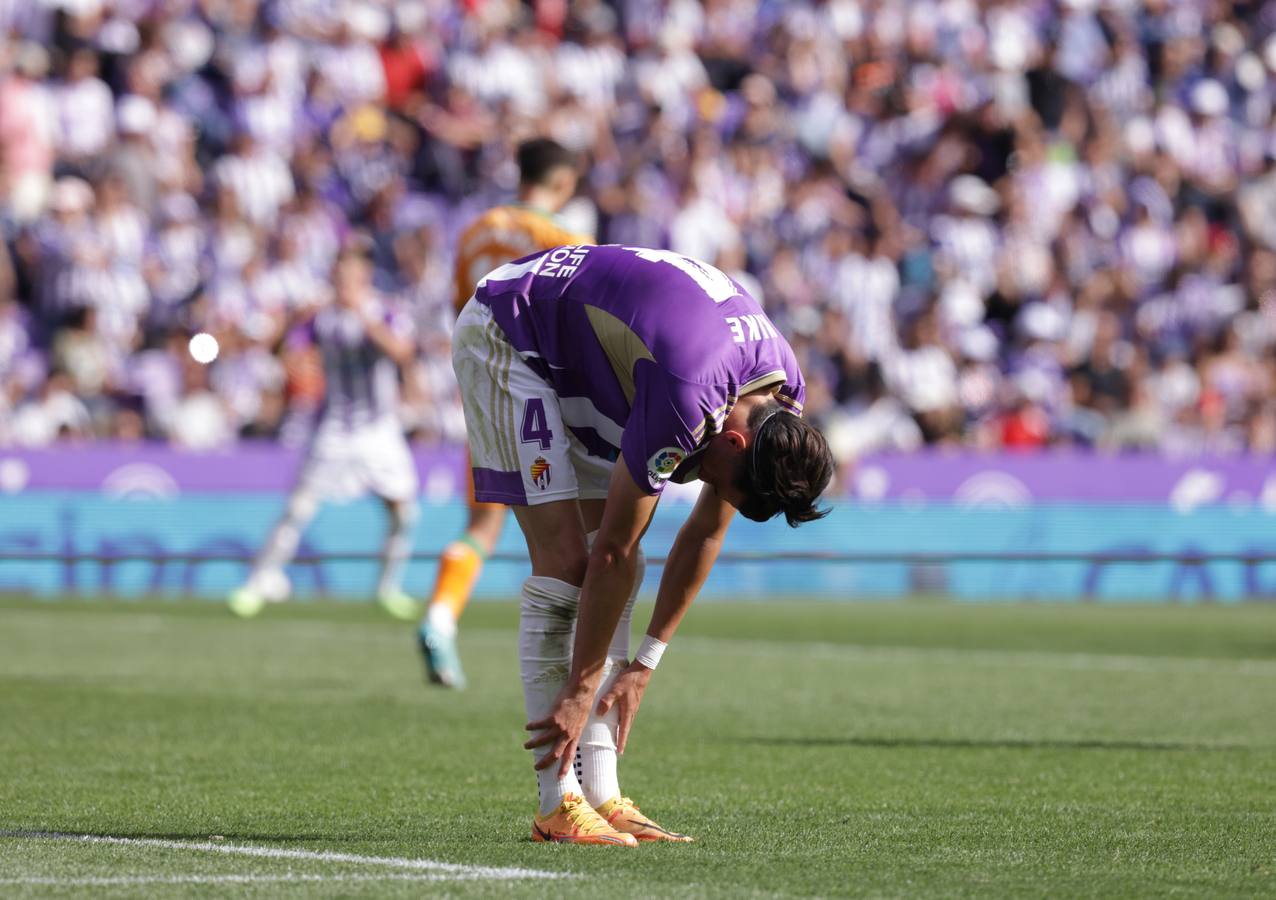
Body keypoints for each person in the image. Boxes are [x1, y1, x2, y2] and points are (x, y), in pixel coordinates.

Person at [452, 244, 833, 845]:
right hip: (511, 330)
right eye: (717, 480)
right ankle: (556, 804)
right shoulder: (691, 394)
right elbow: (611, 554)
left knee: (615, 563)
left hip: (592, 354)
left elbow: (706, 530)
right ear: (733, 444)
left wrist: (645, 662)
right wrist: (580, 688)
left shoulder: (780, 402)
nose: (699, 479)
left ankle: (600, 793)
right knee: (570, 563)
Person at [417, 138, 592, 689]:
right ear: (563, 183)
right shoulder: (564, 239)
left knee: (481, 528)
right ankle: (575, 666)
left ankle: (440, 618)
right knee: (577, 538)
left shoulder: (475, 231)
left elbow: (460, 313)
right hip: (546, 402)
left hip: (485, 394)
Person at [228, 244, 420, 619]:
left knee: (403, 512)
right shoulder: (321, 318)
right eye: (337, 276)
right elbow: (280, 351)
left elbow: (403, 354)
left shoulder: (383, 310)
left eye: (347, 276)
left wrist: (364, 319)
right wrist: (294, 321)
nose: (340, 283)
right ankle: (258, 583)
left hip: (379, 429)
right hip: (333, 427)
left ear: (363, 278)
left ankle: (388, 587)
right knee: (298, 507)